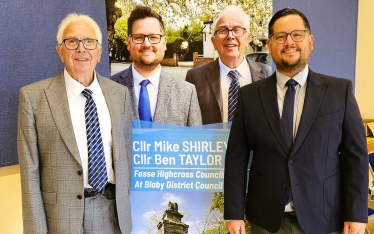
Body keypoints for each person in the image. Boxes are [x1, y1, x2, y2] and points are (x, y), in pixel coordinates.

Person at [224, 8, 368, 234]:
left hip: (325, 218)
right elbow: (236, 158)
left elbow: (356, 157)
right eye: (280, 37)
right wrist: (233, 213)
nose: (289, 42)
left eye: (297, 35)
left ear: (310, 41)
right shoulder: (249, 96)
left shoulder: (340, 91)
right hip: (266, 220)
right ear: (270, 45)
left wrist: (357, 214)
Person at [17, 13, 132, 234]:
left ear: (99, 52)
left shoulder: (120, 95)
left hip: (113, 214)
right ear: (60, 51)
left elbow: (126, 159)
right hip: (61, 219)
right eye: (72, 42)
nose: (81, 48)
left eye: (89, 42)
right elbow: (29, 174)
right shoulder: (33, 98)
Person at [111, 6, 202, 126]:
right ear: (128, 42)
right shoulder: (109, 89)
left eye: (154, 37)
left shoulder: (187, 93)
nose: (147, 44)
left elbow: (194, 141)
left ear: (164, 43)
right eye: (139, 37)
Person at [185, 5, 270, 125]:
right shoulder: (194, 77)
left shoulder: (269, 74)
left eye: (237, 30)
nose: (230, 36)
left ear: (248, 39)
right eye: (223, 30)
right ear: (213, 41)